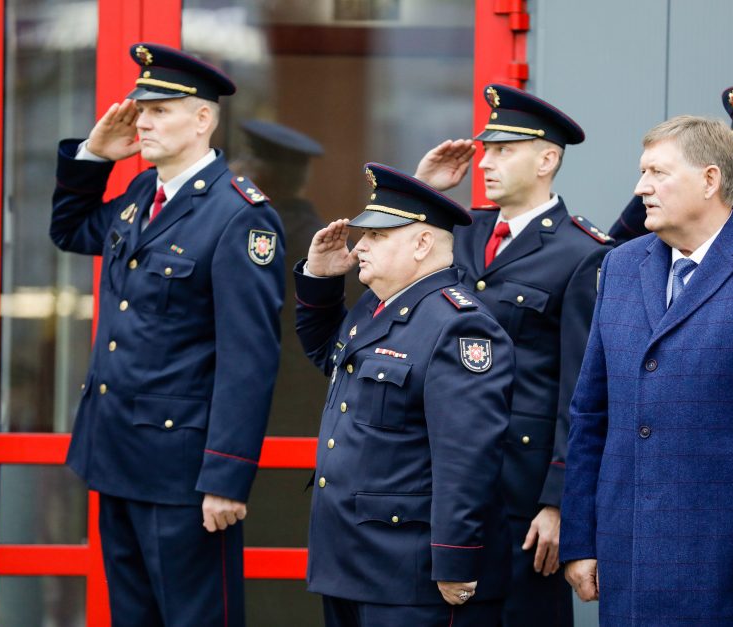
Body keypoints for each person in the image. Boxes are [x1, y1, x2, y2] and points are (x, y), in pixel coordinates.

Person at [560, 115, 733, 625]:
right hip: (630, 564)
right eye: (642, 172)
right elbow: (591, 413)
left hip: (732, 570)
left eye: (658, 173)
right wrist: (581, 537)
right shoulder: (621, 267)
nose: (641, 187)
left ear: (710, 180)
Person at [49, 42, 284, 627]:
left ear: (203, 119)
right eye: (139, 108)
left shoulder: (239, 215)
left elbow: (247, 360)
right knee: (134, 616)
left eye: (159, 111)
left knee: (195, 618)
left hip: (184, 473)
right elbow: (71, 230)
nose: (141, 121)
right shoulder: (138, 198)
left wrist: (227, 476)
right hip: (116, 454)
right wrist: (93, 156)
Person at [414, 83, 611, 626]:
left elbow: (584, 390)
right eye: (487, 148)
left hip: (521, 493)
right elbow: (385, 285)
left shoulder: (584, 253)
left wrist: (559, 501)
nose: (486, 162)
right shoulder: (462, 231)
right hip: (444, 478)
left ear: (547, 159)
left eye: (504, 150)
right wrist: (422, 190)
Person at [296, 162, 514, 626]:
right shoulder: (376, 309)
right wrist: (320, 280)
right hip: (347, 559)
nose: (359, 247)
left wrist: (455, 559)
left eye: (377, 236)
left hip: (408, 572)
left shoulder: (458, 325)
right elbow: (330, 357)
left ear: (420, 243)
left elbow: (467, 457)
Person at [230, 120, 329, 436]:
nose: (233, 168)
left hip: (262, 411)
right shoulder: (322, 239)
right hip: (310, 411)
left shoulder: (248, 237)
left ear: (260, 174)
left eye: (243, 160)